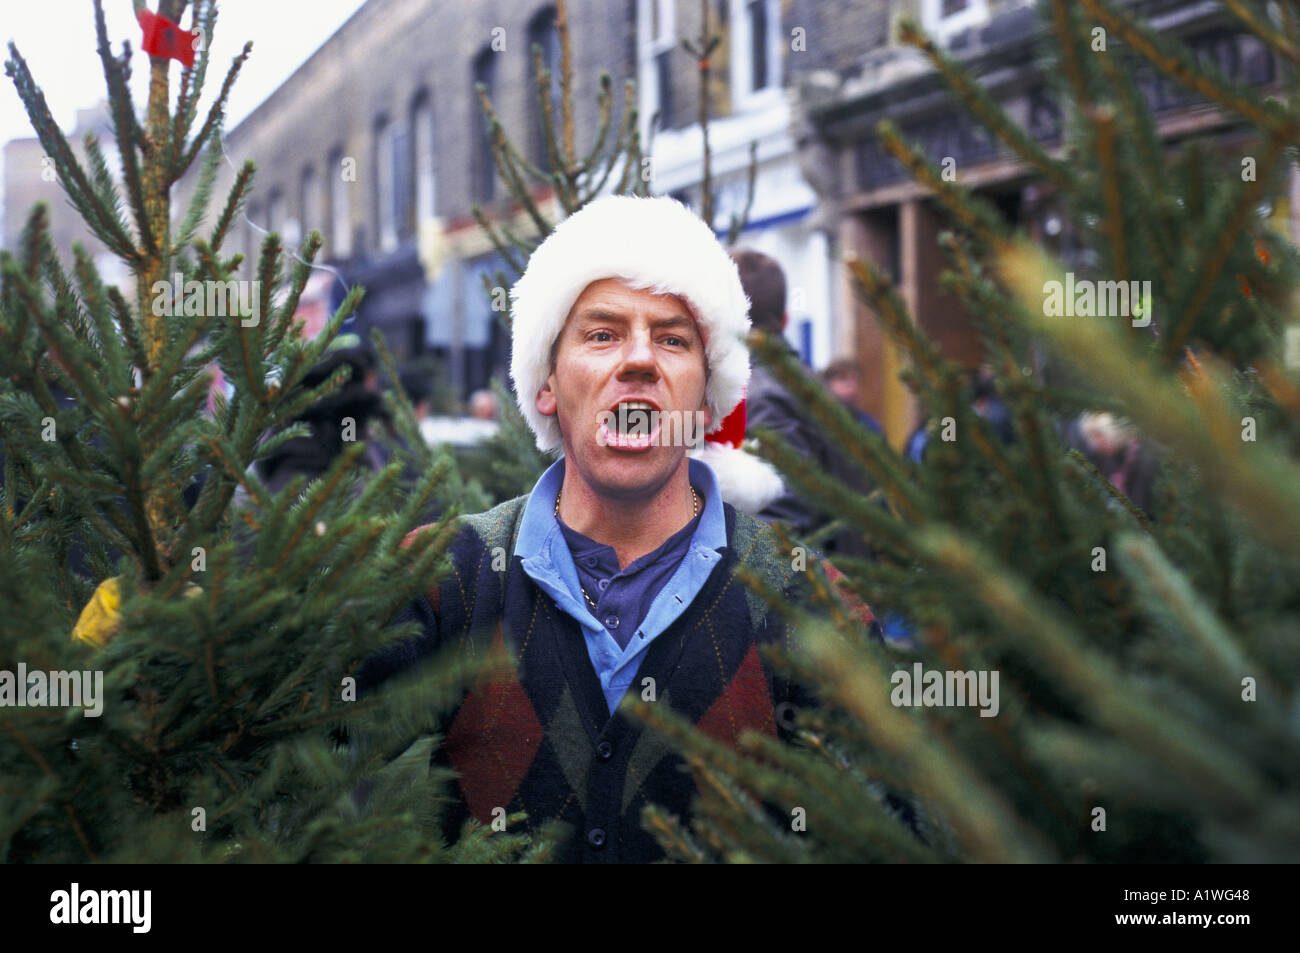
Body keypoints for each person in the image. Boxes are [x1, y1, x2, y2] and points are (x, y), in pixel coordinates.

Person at [357, 195, 879, 863]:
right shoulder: (440, 580)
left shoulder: (806, 600)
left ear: (705, 396)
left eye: (672, 338)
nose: (638, 361)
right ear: (547, 386)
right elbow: (313, 793)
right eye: (602, 334)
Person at [731, 249, 874, 558]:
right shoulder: (809, 384)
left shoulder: (761, 397)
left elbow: (781, 527)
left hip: (810, 598)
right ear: (784, 320)